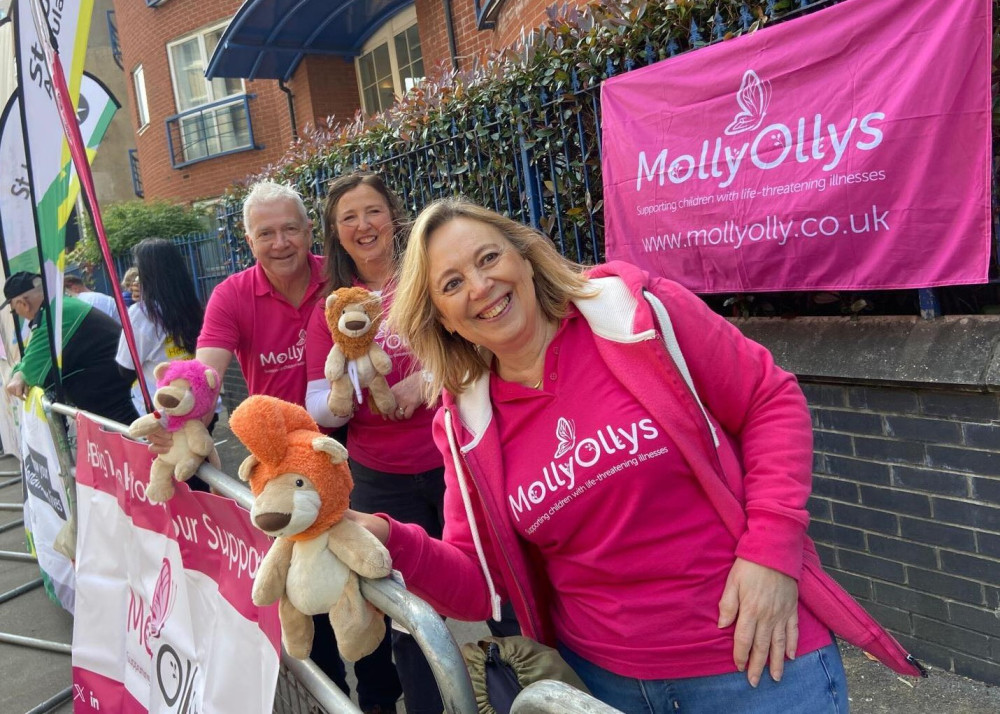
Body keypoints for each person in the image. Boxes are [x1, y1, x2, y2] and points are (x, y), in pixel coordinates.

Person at [342, 198, 923, 713]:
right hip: (602, 686)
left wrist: (773, 552)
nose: (480, 287)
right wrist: (386, 539)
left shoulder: (633, 316)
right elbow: (476, 583)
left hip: (755, 665)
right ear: (442, 321)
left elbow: (769, 399)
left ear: (523, 257)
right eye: (451, 284)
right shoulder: (466, 421)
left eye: (489, 258)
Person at [191, 180, 402, 714]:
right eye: (266, 233)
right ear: (248, 239)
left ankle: (379, 698)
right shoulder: (232, 295)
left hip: (351, 449)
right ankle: (326, 698)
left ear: (310, 230)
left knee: (365, 584)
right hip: (281, 464)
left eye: (290, 228)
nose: (280, 242)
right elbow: (207, 371)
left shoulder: (338, 280)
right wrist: (188, 419)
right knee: (305, 590)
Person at [303, 172, 444, 714]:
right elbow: (320, 402)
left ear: (393, 217)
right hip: (381, 478)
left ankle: (508, 690)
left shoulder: (426, 276)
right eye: (349, 218)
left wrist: (427, 377)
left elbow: (475, 348)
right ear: (335, 234)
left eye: (373, 212)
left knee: (492, 588)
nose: (364, 225)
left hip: (453, 460)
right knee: (406, 611)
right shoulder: (332, 306)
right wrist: (349, 390)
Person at [2, 271, 138, 424]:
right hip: (116, 396)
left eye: (14, 310)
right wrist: (20, 372)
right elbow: (30, 359)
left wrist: (20, 374)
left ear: (23, 304)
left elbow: (31, 374)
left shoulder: (53, 317)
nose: (17, 314)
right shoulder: (58, 308)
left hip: (118, 404)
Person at [115, 238, 220, 430]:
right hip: (203, 406)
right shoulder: (193, 306)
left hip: (167, 413)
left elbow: (126, 368)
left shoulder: (141, 314)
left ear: (146, 275)